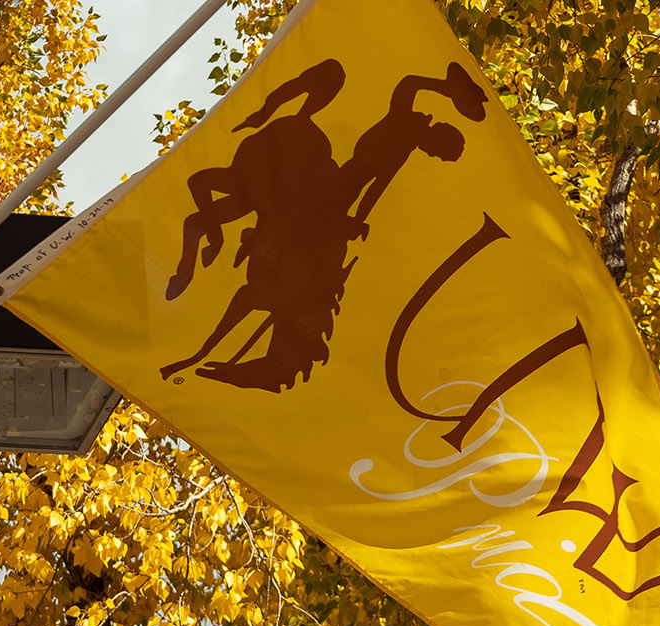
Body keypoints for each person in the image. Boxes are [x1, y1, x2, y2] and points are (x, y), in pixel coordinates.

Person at [160, 59, 490, 392]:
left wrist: (356, 221)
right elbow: (407, 85)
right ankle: (242, 348)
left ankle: (270, 359)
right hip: (333, 189)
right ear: (438, 139)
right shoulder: (401, 121)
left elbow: (377, 186)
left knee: (311, 276)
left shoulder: (403, 143)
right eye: (441, 152)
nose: (435, 156)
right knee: (303, 267)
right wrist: (446, 88)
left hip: (339, 198)